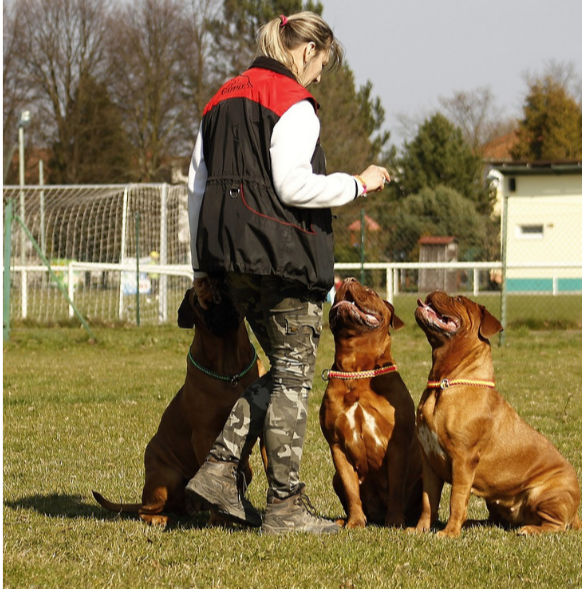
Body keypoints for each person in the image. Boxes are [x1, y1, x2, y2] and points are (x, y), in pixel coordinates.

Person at [184, 11, 390, 535]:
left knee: (284, 373)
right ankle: (283, 507)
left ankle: (219, 471)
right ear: (305, 52)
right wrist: (357, 183)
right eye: (320, 65)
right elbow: (295, 186)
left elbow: (196, 187)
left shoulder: (220, 98)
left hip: (229, 261)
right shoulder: (292, 103)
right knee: (293, 374)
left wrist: (202, 265)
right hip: (280, 258)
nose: (318, 77)